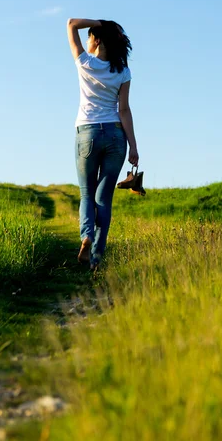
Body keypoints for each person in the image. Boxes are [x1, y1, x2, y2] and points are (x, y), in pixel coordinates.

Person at [67, 18, 139, 271]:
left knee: (87, 193)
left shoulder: (85, 63)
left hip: (87, 132)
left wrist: (99, 22)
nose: (87, 41)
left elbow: (71, 24)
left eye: (90, 37)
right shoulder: (123, 71)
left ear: (97, 40)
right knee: (104, 198)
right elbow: (124, 109)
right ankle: (96, 259)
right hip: (116, 136)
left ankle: (86, 236)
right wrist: (133, 146)